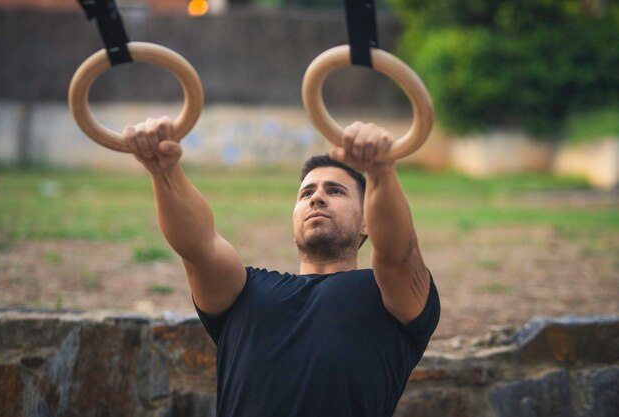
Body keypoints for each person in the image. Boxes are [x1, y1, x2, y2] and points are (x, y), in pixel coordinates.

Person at [123, 116, 440, 417]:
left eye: (335, 190)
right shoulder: (242, 291)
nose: (316, 198)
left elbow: (399, 252)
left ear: (366, 223)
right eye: (306, 193)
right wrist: (164, 171)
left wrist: (381, 171)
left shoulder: (389, 296)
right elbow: (197, 246)